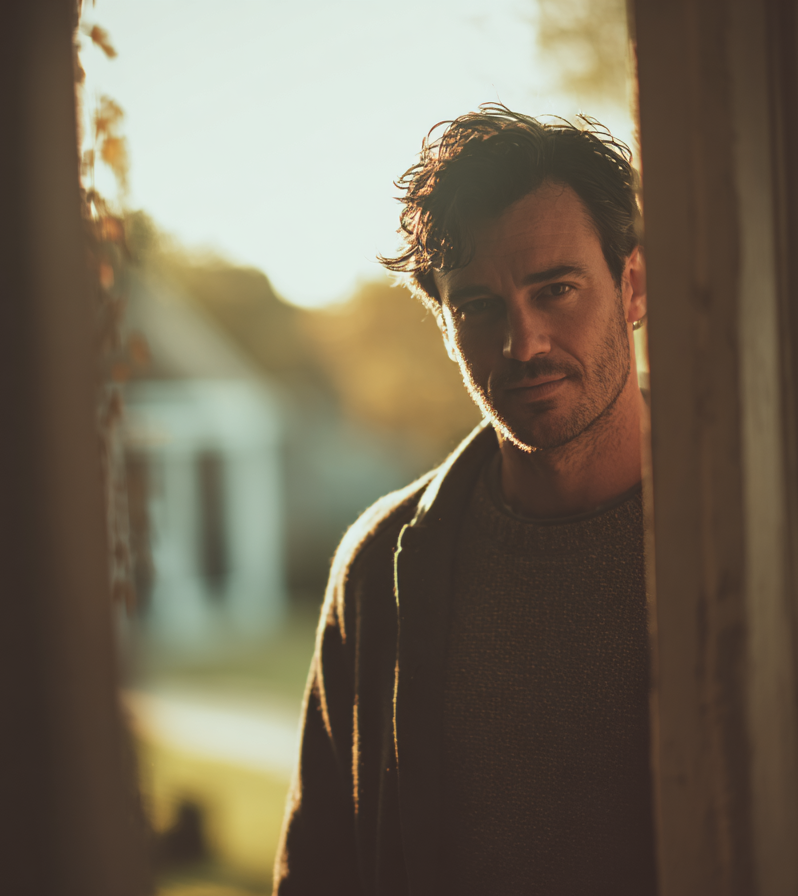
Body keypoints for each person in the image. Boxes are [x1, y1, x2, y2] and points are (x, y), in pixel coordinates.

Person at [274, 105, 654, 896]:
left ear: (633, 286)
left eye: (556, 289)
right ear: (445, 322)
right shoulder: (379, 568)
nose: (524, 344)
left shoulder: (757, 529)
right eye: (479, 306)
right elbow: (320, 870)